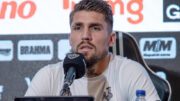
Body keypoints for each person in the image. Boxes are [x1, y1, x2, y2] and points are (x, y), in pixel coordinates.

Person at [25, 0, 160, 101]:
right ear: (70, 38)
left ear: (111, 39)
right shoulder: (49, 76)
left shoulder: (131, 72)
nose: (85, 36)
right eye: (78, 28)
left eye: (95, 28)